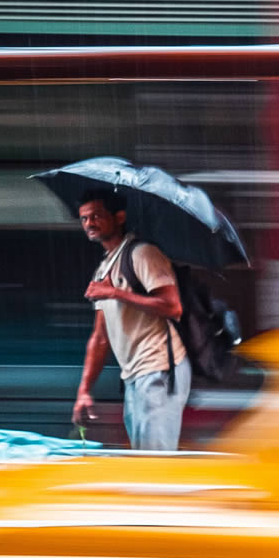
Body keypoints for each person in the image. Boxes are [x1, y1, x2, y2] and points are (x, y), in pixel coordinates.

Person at [73, 188, 192, 450]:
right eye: (84, 218)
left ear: (119, 217)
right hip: (133, 377)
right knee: (143, 460)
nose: (89, 223)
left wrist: (114, 292)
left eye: (96, 216)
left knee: (154, 463)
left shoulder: (142, 254)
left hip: (159, 367)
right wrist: (84, 390)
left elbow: (173, 306)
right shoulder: (104, 268)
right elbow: (100, 338)